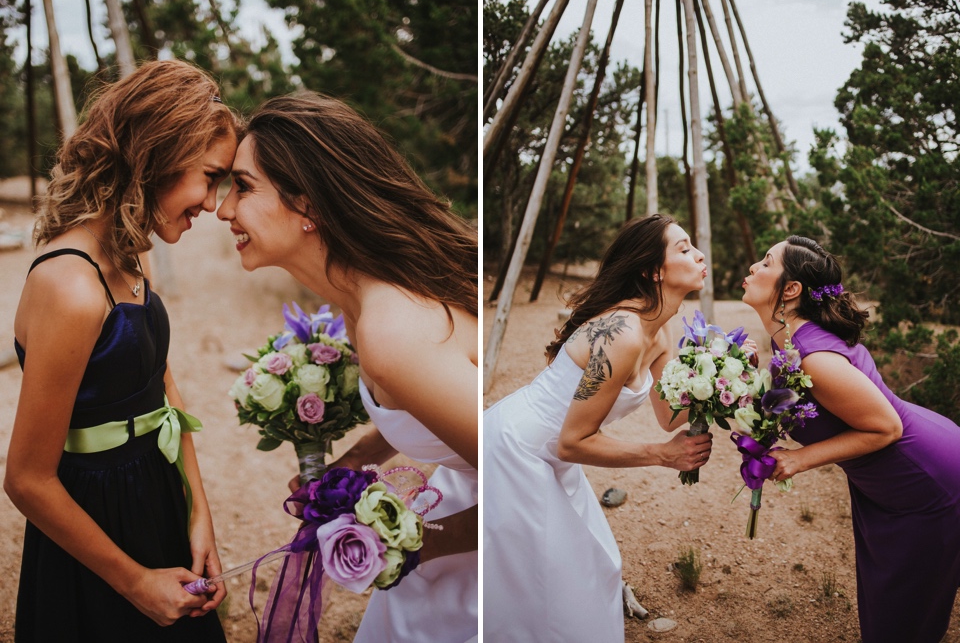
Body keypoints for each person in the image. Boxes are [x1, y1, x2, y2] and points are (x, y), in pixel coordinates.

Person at [216, 92, 478, 642]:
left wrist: (405, 540)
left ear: (308, 205)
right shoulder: (356, 303)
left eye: (242, 186)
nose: (223, 209)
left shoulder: (391, 328)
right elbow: (425, 404)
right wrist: (358, 458)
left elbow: (523, 477)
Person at [4, 60, 239, 642]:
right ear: (157, 155)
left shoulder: (131, 255)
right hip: (97, 525)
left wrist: (196, 511)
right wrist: (135, 582)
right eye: (209, 177)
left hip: (156, 494)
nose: (212, 202)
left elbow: (161, 385)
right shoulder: (69, 285)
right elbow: (27, 479)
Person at [484, 214, 718, 642]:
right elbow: (573, 442)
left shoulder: (660, 327)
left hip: (550, 458)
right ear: (653, 270)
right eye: (683, 248)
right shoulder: (622, 335)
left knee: (591, 568)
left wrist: (726, 384)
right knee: (545, 583)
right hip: (516, 451)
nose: (699, 254)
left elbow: (669, 414)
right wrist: (663, 454)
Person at [741, 235, 960, 643]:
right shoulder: (788, 340)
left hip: (925, 480)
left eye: (766, 262)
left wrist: (799, 460)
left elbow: (886, 427)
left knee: (903, 619)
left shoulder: (815, 359)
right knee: (894, 604)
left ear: (790, 290)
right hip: (892, 482)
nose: (753, 267)